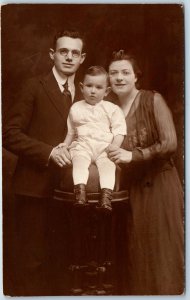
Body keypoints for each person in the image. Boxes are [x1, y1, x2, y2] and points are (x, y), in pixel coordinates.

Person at [3, 29, 86, 296]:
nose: (69, 57)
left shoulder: (88, 92)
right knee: (32, 261)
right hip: (33, 189)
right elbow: (9, 134)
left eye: (75, 53)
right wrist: (48, 152)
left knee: (62, 261)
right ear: (52, 55)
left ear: (82, 58)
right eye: (64, 51)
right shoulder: (34, 86)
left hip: (69, 190)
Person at [107, 50, 184, 295]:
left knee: (163, 253)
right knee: (137, 254)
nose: (119, 78)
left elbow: (170, 143)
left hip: (159, 184)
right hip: (130, 188)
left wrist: (135, 155)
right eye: (113, 73)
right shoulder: (108, 109)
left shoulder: (152, 100)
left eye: (125, 72)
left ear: (136, 77)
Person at [59, 66, 126, 212]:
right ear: (82, 87)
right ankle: (80, 194)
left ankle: (106, 198)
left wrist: (114, 147)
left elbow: (119, 131)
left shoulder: (112, 109)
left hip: (104, 147)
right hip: (83, 145)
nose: (93, 91)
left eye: (98, 87)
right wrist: (64, 144)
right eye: (89, 86)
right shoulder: (76, 108)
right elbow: (71, 132)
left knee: (108, 166)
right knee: (79, 163)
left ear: (106, 91)